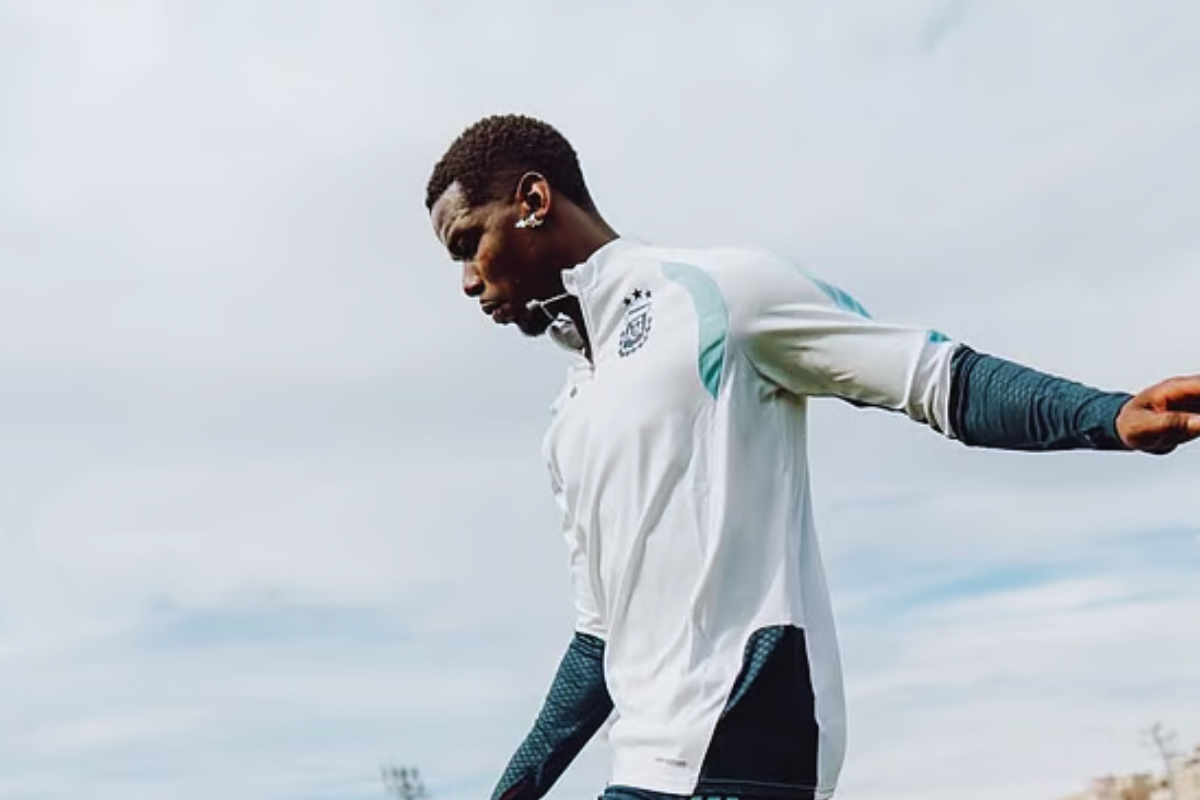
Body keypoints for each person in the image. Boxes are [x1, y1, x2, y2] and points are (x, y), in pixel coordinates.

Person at [423, 114, 1200, 800]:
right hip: (650, 762)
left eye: (468, 245)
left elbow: (930, 376)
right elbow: (599, 638)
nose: (465, 282)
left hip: (744, 736)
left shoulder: (718, 294)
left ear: (532, 202)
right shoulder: (571, 416)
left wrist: (1106, 416)